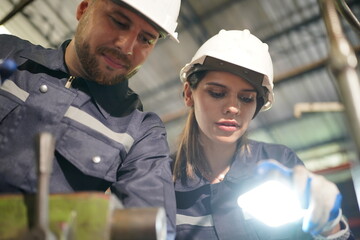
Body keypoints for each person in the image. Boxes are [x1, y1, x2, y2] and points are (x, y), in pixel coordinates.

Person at [0, 0, 181, 239]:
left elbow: (154, 227)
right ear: (84, 9)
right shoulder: (7, 54)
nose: (126, 47)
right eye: (119, 22)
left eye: (146, 39)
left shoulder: (139, 131)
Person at [173, 29, 354, 239]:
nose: (233, 108)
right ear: (189, 94)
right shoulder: (163, 180)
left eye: (247, 98)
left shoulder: (279, 162)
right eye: (217, 93)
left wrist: (330, 228)